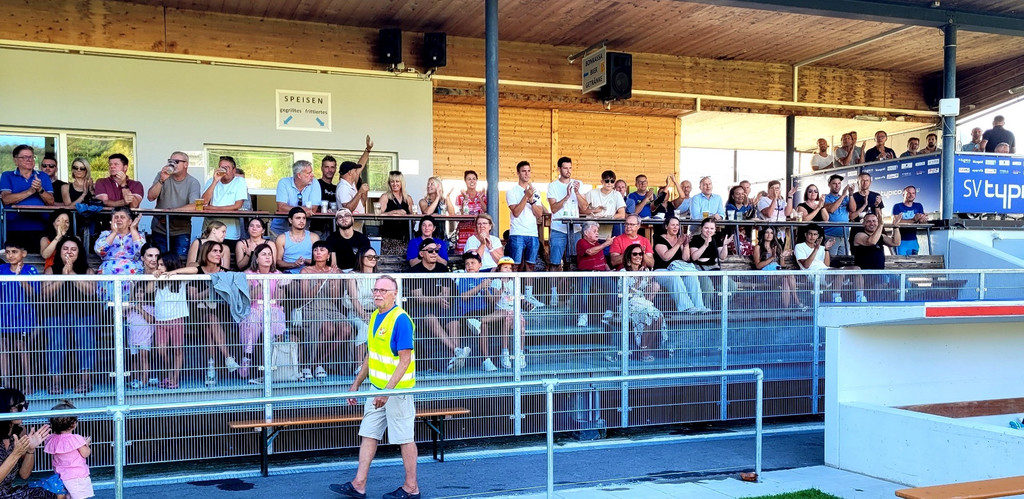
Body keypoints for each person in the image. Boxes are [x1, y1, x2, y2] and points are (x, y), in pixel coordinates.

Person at [331, 275, 419, 499]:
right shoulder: (374, 316)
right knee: (369, 434)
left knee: (404, 438)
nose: (378, 294)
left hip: (397, 392)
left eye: (383, 290)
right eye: (376, 290)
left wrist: (387, 392)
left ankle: (412, 487)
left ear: (394, 294)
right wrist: (356, 384)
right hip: (377, 389)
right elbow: (371, 355)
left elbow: (405, 360)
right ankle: (359, 484)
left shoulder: (401, 320)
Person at [167, 241, 239, 385]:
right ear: (206, 253)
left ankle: (211, 368)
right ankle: (228, 357)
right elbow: (193, 298)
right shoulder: (198, 271)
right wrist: (212, 286)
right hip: (198, 313)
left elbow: (232, 296)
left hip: (220, 313)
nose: (218, 254)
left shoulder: (224, 272)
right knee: (209, 319)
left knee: (209, 329)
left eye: (220, 251)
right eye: (214, 251)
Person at [41, 236, 98, 395]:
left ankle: (85, 380)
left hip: (84, 314)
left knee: (85, 337)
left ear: (79, 252)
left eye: (73, 249)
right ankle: (55, 382)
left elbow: (91, 291)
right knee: (56, 340)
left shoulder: (88, 270)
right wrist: (62, 277)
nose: (69, 252)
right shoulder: (51, 270)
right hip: (56, 314)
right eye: (65, 249)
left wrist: (71, 273)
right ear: (59, 251)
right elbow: (44, 295)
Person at [405, 238, 466, 372]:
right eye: (430, 251)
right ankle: (456, 350)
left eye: (436, 251)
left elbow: (446, 292)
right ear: (421, 254)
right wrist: (436, 299)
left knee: (454, 322)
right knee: (431, 318)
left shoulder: (442, 268)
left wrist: (440, 300)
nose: (434, 253)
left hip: (439, 306)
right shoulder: (415, 271)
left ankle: (452, 360)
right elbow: (419, 298)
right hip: (420, 310)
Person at [299, 241, 351, 381]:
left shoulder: (335, 271)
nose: (318, 252)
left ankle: (317, 362)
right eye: (315, 250)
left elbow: (334, 299)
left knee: (346, 328)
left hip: (330, 308)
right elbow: (304, 299)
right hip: (311, 308)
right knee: (328, 327)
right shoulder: (306, 271)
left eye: (322, 250)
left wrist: (333, 283)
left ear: (328, 255)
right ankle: (313, 364)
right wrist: (319, 282)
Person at [238, 243, 288, 378]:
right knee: (252, 322)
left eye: (270, 254)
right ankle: (247, 358)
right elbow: (249, 299)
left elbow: (280, 300)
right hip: (254, 308)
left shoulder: (277, 274)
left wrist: (280, 287)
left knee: (276, 319)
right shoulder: (248, 274)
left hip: (273, 308)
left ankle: (274, 360)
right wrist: (261, 284)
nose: (267, 257)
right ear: (256, 258)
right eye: (264, 254)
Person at [0, 240, 40, 394]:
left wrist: (19, 277)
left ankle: (29, 384)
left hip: (24, 320)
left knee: (21, 345)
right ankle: (6, 385)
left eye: (14, 252)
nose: (10, 255)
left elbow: (34, 294)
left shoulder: (30, 270)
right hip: (4, 320)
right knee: (3, 346)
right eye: (7, 252)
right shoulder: (2, 269)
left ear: (23, 254)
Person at [0, 389, 55, 499]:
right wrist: (16, 454)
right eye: (19, 407)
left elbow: (24, 475)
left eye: (25, 405)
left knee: (50, 494)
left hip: (7, 492)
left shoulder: (20, 431)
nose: (25, 410)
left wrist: (30, 450)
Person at [504, 160, 544, 307]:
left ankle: (529, 295)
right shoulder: (512, 191)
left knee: (531, 265)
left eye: (529, 171)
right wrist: (525, 196)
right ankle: (513, 294)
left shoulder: (536, 192)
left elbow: (539, 214)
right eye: (523, 171)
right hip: (517, 232)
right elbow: (516, 212)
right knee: (515, 265)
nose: (527, 174)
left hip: (532, 233)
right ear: (518, 173)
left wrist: (531, 200)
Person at [146, 151, 200, 259]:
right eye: (170, 161)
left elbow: (195, 206)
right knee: (159, 261)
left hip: (181, 230)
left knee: (180, 261)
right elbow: (150, 197)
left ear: (186, 164)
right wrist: (161, 180)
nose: (172, 164)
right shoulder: (161, 175)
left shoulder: (193, 182)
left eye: (176, 161)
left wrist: (171, 211)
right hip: (159, 229)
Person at [546, 156, 585, 305]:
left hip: (575, 229)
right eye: (565, 168)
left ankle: (571, 295)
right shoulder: (553, 186)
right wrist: (567, 196)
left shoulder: (578, 184)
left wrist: (577, 193)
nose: (568, 171)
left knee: (573, 262)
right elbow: (553, 208)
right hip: (558, 229)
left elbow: (584, 207)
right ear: (559, 169)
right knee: (555, 263)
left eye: (570, 168)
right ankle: (554, 294)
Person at [794, 224, 865, 303]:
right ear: (805, 235)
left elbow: (826, 265)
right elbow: (806, 265)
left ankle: (860, 297)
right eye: (810, 234)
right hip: (813, 274)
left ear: (818, 236)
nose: (812, 237)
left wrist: (826, 249)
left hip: (825, 271)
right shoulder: (799, 246)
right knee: (839, 272)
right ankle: (836, 298)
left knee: (856, 269)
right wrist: (816, 249)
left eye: (815, 234)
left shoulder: (821, 247)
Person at [653, 216, 707, 314]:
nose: (675, 227)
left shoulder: (680, 239)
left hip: (679, 269)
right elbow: (666, 257)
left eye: (677, 225)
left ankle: (699, 307)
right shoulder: (659, 238)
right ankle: (686, 307)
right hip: (662, 270)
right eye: (673, 225)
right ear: (666, 226)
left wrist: (685, 245)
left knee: (691, 276)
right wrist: (678, 244)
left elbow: (686, 259)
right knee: (674, 277)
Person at [151, 253, 189, 389]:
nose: (159, 267)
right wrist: (154, 275)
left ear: (170, 264)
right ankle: (169, 374)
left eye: (162, 264)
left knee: (177, 349)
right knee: (161, 350)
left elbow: (195, 269)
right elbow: (148, 289)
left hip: (177, 318)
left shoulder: (180, 278)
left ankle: (175, 379)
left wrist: (175, 272)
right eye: (158, 265)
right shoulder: (157, 278)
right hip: (160, 319)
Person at [1, 145, 54, 243]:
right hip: (14, 226)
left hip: (41, 226)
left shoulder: (43, 176)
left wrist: (40, 189)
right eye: (25, 157)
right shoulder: (7, 175)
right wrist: (29, 191)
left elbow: (51, 201)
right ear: (16, 161)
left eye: (31, 157)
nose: (29, 160)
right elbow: (5, 199)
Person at [125, 243, 161, 389]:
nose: (154, 259)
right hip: (138, 321)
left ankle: (153, 377)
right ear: (142, 258)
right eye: (150, 255)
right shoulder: (136, 278)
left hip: (158, 318)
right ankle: (137, 378)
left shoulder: (163, 274)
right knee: (136, 354)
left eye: (157, 256)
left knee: (148, 353)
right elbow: (131, 300)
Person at [40, 400, 93, 499]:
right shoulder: (76, 439)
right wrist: (86, 445)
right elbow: (85, 454)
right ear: (73, 424)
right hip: (77, 476)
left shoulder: (52, 439)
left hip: (60, 476)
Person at [620, 243, 663, 362]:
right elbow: (626, 294)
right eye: (635, 254)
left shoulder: (645, 270)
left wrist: (648, 278)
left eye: (640, 254)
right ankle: (644, 352)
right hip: (629, 303)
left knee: (658, 317)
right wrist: (638, 279)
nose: (638, 256)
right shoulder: (623, 272)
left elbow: (647, 291)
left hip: (643, 302)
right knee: (649, 315)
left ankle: (646, 347)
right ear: (629, 257)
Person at [479, 257, 523, 371]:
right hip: (500, 311)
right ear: (499, 269)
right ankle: (505, 353)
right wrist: (501, 289)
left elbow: (517, 299)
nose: (508, 270)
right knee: (507, 318)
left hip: (513, 311)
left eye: (510, 268)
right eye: (505, 267)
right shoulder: (496, 282)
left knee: (522, 322)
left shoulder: (515, 282)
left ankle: (521, 354)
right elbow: (495, 300)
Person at [94, 207, 144, 302]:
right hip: (109, 275)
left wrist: (133, 229)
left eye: (122, 217)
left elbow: (141, 253)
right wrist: (114, 232)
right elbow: (100, 251)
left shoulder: (137, 235)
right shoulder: (106, 234)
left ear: (130, 221)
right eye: (116, 217)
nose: (119, 219)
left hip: (131, 276)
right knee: (110, 306)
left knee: (131, 305)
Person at [343, 246, 380, 374]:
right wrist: (364, 315)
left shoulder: (379, 277)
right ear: (361, 258)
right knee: (365, 326)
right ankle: (359, 366)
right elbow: (354, 298)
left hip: (375, 312)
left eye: (375, 257)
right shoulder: (352, 275)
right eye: (369, 257)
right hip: (356, 313)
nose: (373, 259)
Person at [199, 155, 249, 246]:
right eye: (221, 167)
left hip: (230, 233)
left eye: (227, 167)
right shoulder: (211, 181)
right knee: (206, 254)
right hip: (210, 231)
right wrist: (215, 181)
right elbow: (202, 203)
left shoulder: (239, 181)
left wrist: (211, 208)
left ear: (234, 170)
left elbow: (237, 206)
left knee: (227, 254)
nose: (224, 170)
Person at [752, 226, 802, 309]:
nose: (769, 235)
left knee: (785, 280)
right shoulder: (758, 247)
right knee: (787, 274)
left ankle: (786, 308)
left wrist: (782, 256)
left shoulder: (776, 247)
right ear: (763, 234)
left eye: (771, 233)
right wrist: (772, 257)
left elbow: (782, 266)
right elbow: (758, 266)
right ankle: (797, 302)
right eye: (767, 232)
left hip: (778, 272)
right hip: (765, 274)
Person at [270, 160, 321, 237]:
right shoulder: (284, 182)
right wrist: (303, 209)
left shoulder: (314, 183)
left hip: (302, 231)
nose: (312, 175)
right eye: (308, 173)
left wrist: (290, 209)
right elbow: (281, 207)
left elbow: (313, 209)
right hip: (280, 230)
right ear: (299, 175)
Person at [380, 170, 417, 256]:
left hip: (405, 238)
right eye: (392, 181)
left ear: (401, 183)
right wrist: (393, 212)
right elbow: (378, 215)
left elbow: (414, 216)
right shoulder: (385, 197)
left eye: (397, 181)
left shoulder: (407, 198)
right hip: (389, 238)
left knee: (406, 262)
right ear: (389, 183)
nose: (395, 184)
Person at [334, 135, 374, 215]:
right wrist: (359, 192)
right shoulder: (343, 187)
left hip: (358, 222)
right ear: (350, 173)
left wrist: (368, 150)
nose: (357, 172)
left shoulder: (351, 184)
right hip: (349, 223)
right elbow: (347, 209)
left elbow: (362, 203)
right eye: (355, 170)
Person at [275, 206, 319, 274]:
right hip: (289, 274)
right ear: (290, 220)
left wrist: (305, 260)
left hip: (310, 274)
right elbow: (278, 261)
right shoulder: (282, 238)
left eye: (304, 218)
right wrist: (294, 264)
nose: (302, 221)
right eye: (298, 218)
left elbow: (319, 260)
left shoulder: (314, 237)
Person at [584, 170, 627, 238]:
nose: (609, 183)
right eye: (607, 181)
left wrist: (607, 218)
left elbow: (622, 214)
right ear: (602, 181)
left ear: (614, 182)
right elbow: (581, 210)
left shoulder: (617, 195)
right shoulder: (592, 193)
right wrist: (594, 211)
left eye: (612, 181)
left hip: (606, 234)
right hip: (590, 233)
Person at [453, 170, 487, 252]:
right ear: (465, 181)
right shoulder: (460, 197)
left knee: (478, 254)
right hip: (464, 231)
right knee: (464, 255)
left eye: (474, 179)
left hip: (478, 232)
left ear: (476, 181)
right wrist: (465, 198)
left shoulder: (483, 196)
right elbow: (460, 214)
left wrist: (480, 199)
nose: (472, 181)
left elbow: (486, 211)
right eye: (469, 179)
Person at [824, 174, 854, 256]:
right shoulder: (826, 197)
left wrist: (851, 194)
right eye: (834, 183)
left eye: (839, 183)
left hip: (844, 236)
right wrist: (843, 195)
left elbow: (853, 209)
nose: (837, 186)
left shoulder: (846, 198)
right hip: (831, 236)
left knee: (844, 261)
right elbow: (831, 209)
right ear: (829, 185)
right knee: (831, 261)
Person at [892, 185, 928, 255]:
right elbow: (895, 222)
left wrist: (923, 220)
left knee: (914, 261)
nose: (911, 195)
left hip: (913, 241)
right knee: (900, 262)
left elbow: (921, 222)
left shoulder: (918, 206)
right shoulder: (897, 206)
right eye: (909, 193)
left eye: (913, 193)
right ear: (903, 194)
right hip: (900, 241)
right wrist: (913, 220)